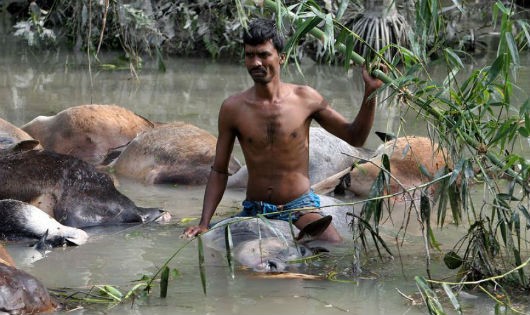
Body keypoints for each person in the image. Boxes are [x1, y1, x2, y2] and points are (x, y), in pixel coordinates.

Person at [184, 18, 384, 242]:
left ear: (281, 57)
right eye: (250, 55)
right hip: (255, 208)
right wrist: (203, 222)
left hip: (300, 206)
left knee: (333, 249)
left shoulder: (305, 98)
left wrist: (370, 91)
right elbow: (219, 170)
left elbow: (355, 137)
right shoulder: (233, 108)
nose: (256, 62)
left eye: (263, 54)